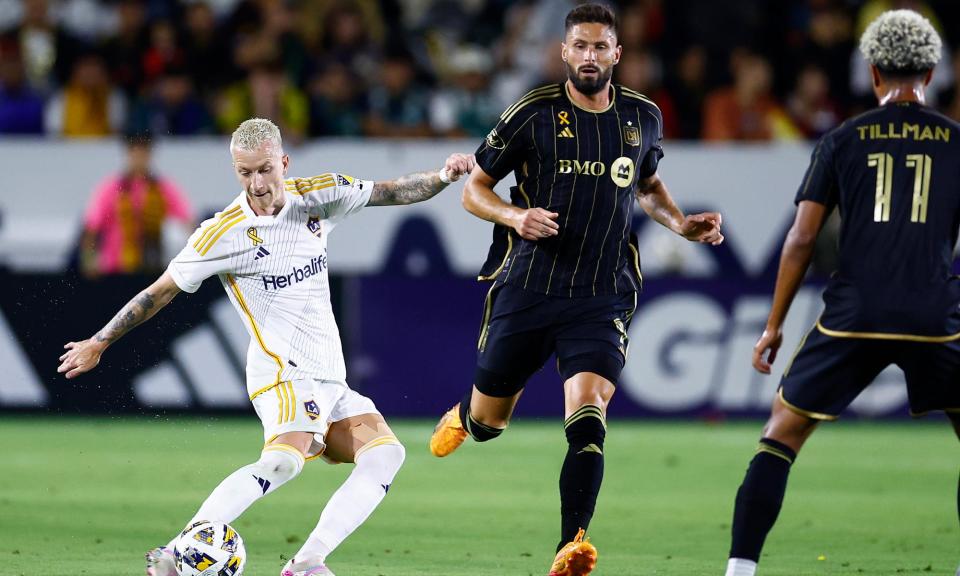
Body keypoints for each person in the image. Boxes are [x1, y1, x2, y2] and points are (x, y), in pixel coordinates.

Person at [58, 117, 476, 576]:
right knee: (283, 462)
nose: (256, 183)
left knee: (385, 455)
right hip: (281, 371)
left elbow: (392, 191)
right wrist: (99, 342)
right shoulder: (222, 233)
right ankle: (175, 554)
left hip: (327, 374)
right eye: (244, 173)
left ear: (283, 162)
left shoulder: (318, 195)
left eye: (264, 170)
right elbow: (159, 291)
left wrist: (442, 176)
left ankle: (307, 561)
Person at [427, 5, 723, 576]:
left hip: (601, 292)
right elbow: (474, 190)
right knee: (491, 424)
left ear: (618, 54)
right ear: (564, 53)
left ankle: (572, 545)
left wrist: (680, 223)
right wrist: (516, 219)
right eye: (580, 46)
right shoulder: (533, 113)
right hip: (530, 287)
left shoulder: (643, 118)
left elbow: (648, 183)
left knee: (589, 413)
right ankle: (466, 416)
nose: (590, 56)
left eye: (600, 46)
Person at [723, 10, 960, 576]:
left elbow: (802, 239)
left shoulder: (841, 140)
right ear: (931, 71)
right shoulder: (956, 144)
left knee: (781, 432)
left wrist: (773, 325)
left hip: (854, 314)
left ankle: (739, 571)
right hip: (936, 315)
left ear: (873, 72)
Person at [79, 133, 195, 277]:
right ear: (128, 153)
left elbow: (188, 222)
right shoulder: (111, 188)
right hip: (115, 270)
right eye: (135, 151)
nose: (139, 157)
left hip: (152, 268)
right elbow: (91, 228)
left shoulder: (163, 188)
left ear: (150, 154)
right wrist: (89, 261)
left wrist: (196, 259)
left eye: (143, 152)